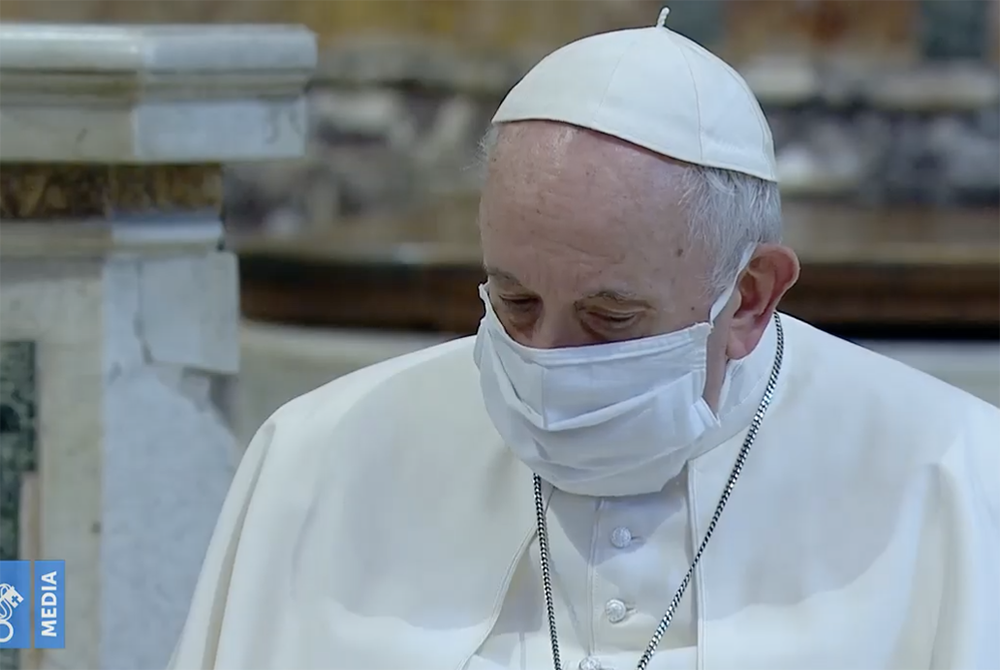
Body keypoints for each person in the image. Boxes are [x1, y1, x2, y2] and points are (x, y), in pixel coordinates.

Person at [167, 8, 1000, 670]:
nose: (545, 363)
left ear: (748, 299)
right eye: (516, 301)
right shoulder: (316, 457)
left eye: (611, 319)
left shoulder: (953, 476)